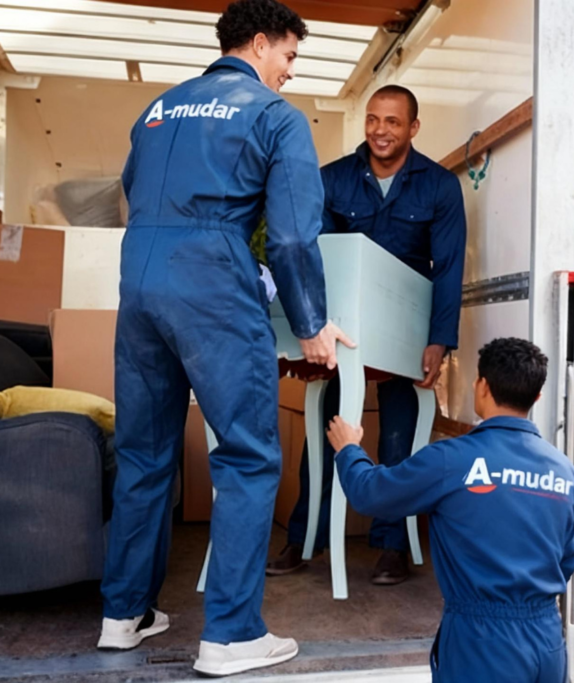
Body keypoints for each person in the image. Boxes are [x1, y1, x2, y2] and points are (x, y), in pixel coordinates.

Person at [98, 0, 353, 676]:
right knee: (246, 455)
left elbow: (133, 195)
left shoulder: (158, 110)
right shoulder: (275, 117)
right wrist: (311, 325)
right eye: (290, 58)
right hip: (210, 282)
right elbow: (295, 233)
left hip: (140, 280)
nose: (290, 74)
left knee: (145, 455)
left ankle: (124, 613)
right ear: (263, 44)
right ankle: (232, 634)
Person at [266, 84, 467, 585]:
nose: (380, 130)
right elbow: (317, 257)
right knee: (330, 436)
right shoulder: (332, 179)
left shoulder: (439, 186)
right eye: (373, 119)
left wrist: (439, 340)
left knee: (399, 441)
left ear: (413, 128)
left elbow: (448, 268)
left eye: (393, 121)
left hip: (407, 330)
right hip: (345, 332)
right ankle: (303, 538)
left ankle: (392, 546)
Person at [327, 338, 574, 682]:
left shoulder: (452, 460)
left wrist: (349, 450)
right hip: (547, 641)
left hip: (484, 644)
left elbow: (370, 494)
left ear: (482, 387)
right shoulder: (565, 472)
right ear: (536, 397)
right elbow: (566, 561)